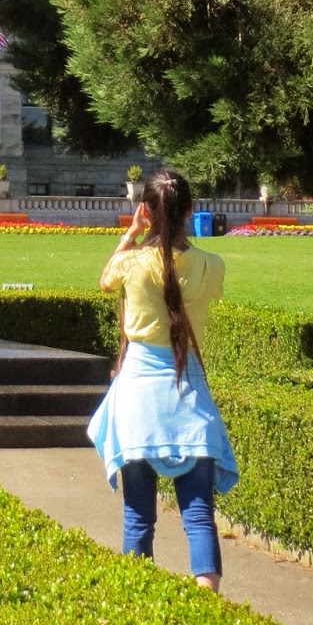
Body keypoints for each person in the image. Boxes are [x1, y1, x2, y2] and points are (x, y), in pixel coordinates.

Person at [87, 168, 238, 592]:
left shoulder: (131, 263)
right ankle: (207, 607)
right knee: (198, 516)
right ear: (191, 211)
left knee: (139, 517)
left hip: (137, 397)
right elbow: (187, 279)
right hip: (187, 393)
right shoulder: (212, 266)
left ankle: (140, 604)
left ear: (146, 213)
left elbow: (105, 280)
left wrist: (132, 234)